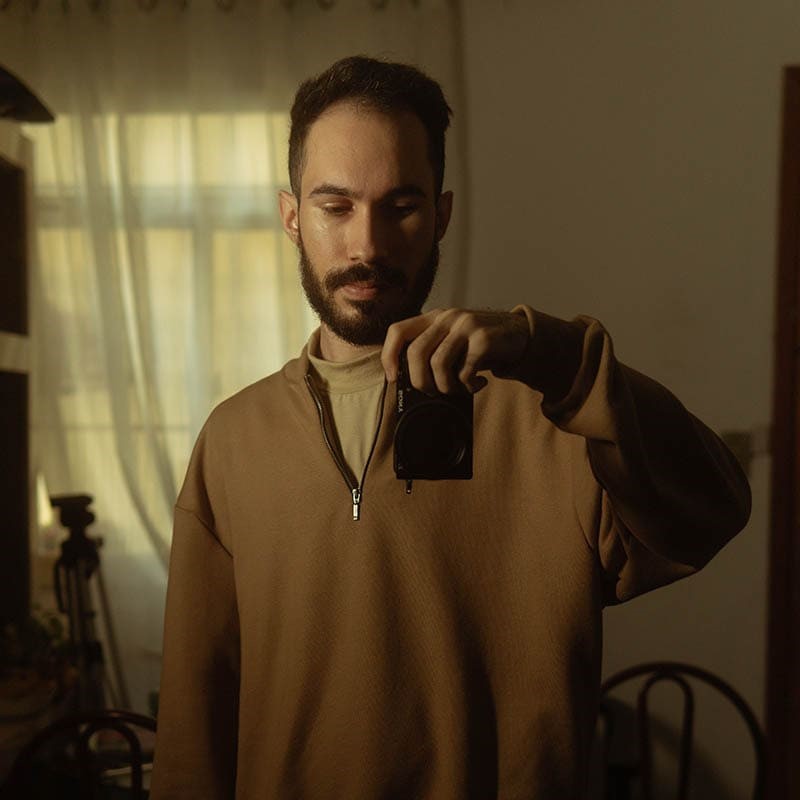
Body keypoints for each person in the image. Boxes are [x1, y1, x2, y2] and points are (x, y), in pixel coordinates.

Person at [149, 55, 751, 799]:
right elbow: (193, 727)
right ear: (292, 216)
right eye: (336, 206)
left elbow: (714, 510)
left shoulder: (550, 416)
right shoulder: (233, 440)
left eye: (400, 207)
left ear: (441, 215)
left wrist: (554, 354)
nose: (367, 246)